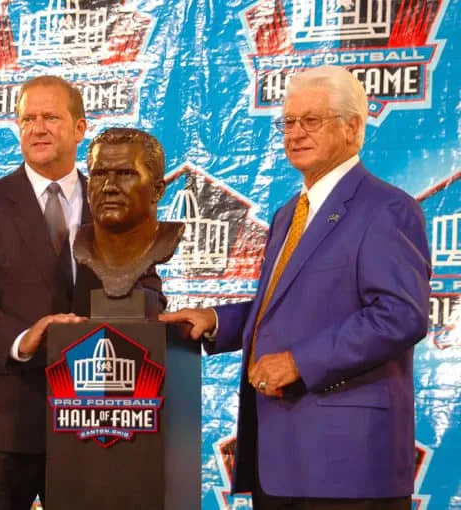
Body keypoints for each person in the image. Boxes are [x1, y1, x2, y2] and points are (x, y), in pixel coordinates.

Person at [159, 66, 431, 509]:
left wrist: (302, 362)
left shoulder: (387, 209)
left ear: (353, 128)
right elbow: (289, 307)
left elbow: (400, 315)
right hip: (281, 460)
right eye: (289, 121)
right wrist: (215, 321)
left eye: (312, 120)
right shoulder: (290, 213)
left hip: (350, 467)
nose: (296, 133)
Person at [0, 76, 163, 510]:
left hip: (95, 416)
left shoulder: (117, 199)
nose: (37, 128)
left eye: (50, 117)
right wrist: (26, 338)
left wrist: (147, 320)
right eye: (27, 119)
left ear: (80, 128)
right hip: (2, 422)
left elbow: (148, 284)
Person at [74, 127, 183, 299]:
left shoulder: (164, 241)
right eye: (99, 174)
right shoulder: (80, 245)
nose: (109, 186)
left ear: (157, 191)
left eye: (125, 174)